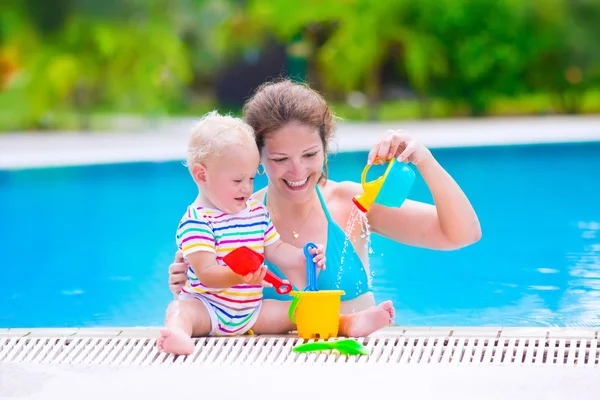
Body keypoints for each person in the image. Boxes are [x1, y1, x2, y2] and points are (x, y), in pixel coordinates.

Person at [168, 78, 481, 338]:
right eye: (280, 159)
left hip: (361, 363)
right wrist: (186, 279)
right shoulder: (236, 219)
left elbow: (461, 234)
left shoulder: (350, 203)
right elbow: (208, 300)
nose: (297, 171)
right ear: (257, 158)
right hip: (270, 372)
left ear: (325, 148)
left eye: (309, 154)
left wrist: (422, 159)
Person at [158, 111, 326, 355]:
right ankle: (178, 335)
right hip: (208, 309)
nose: (247, 188)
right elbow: (206, 274)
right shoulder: (197, 222)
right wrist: (240, 277)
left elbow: (276, 249)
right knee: (180, 311)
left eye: (250, 178)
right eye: (237, 180)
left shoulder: (256, 213)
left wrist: (302, 256)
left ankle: (346, 323)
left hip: (252, 312)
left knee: (300, 309)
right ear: (201, 175)